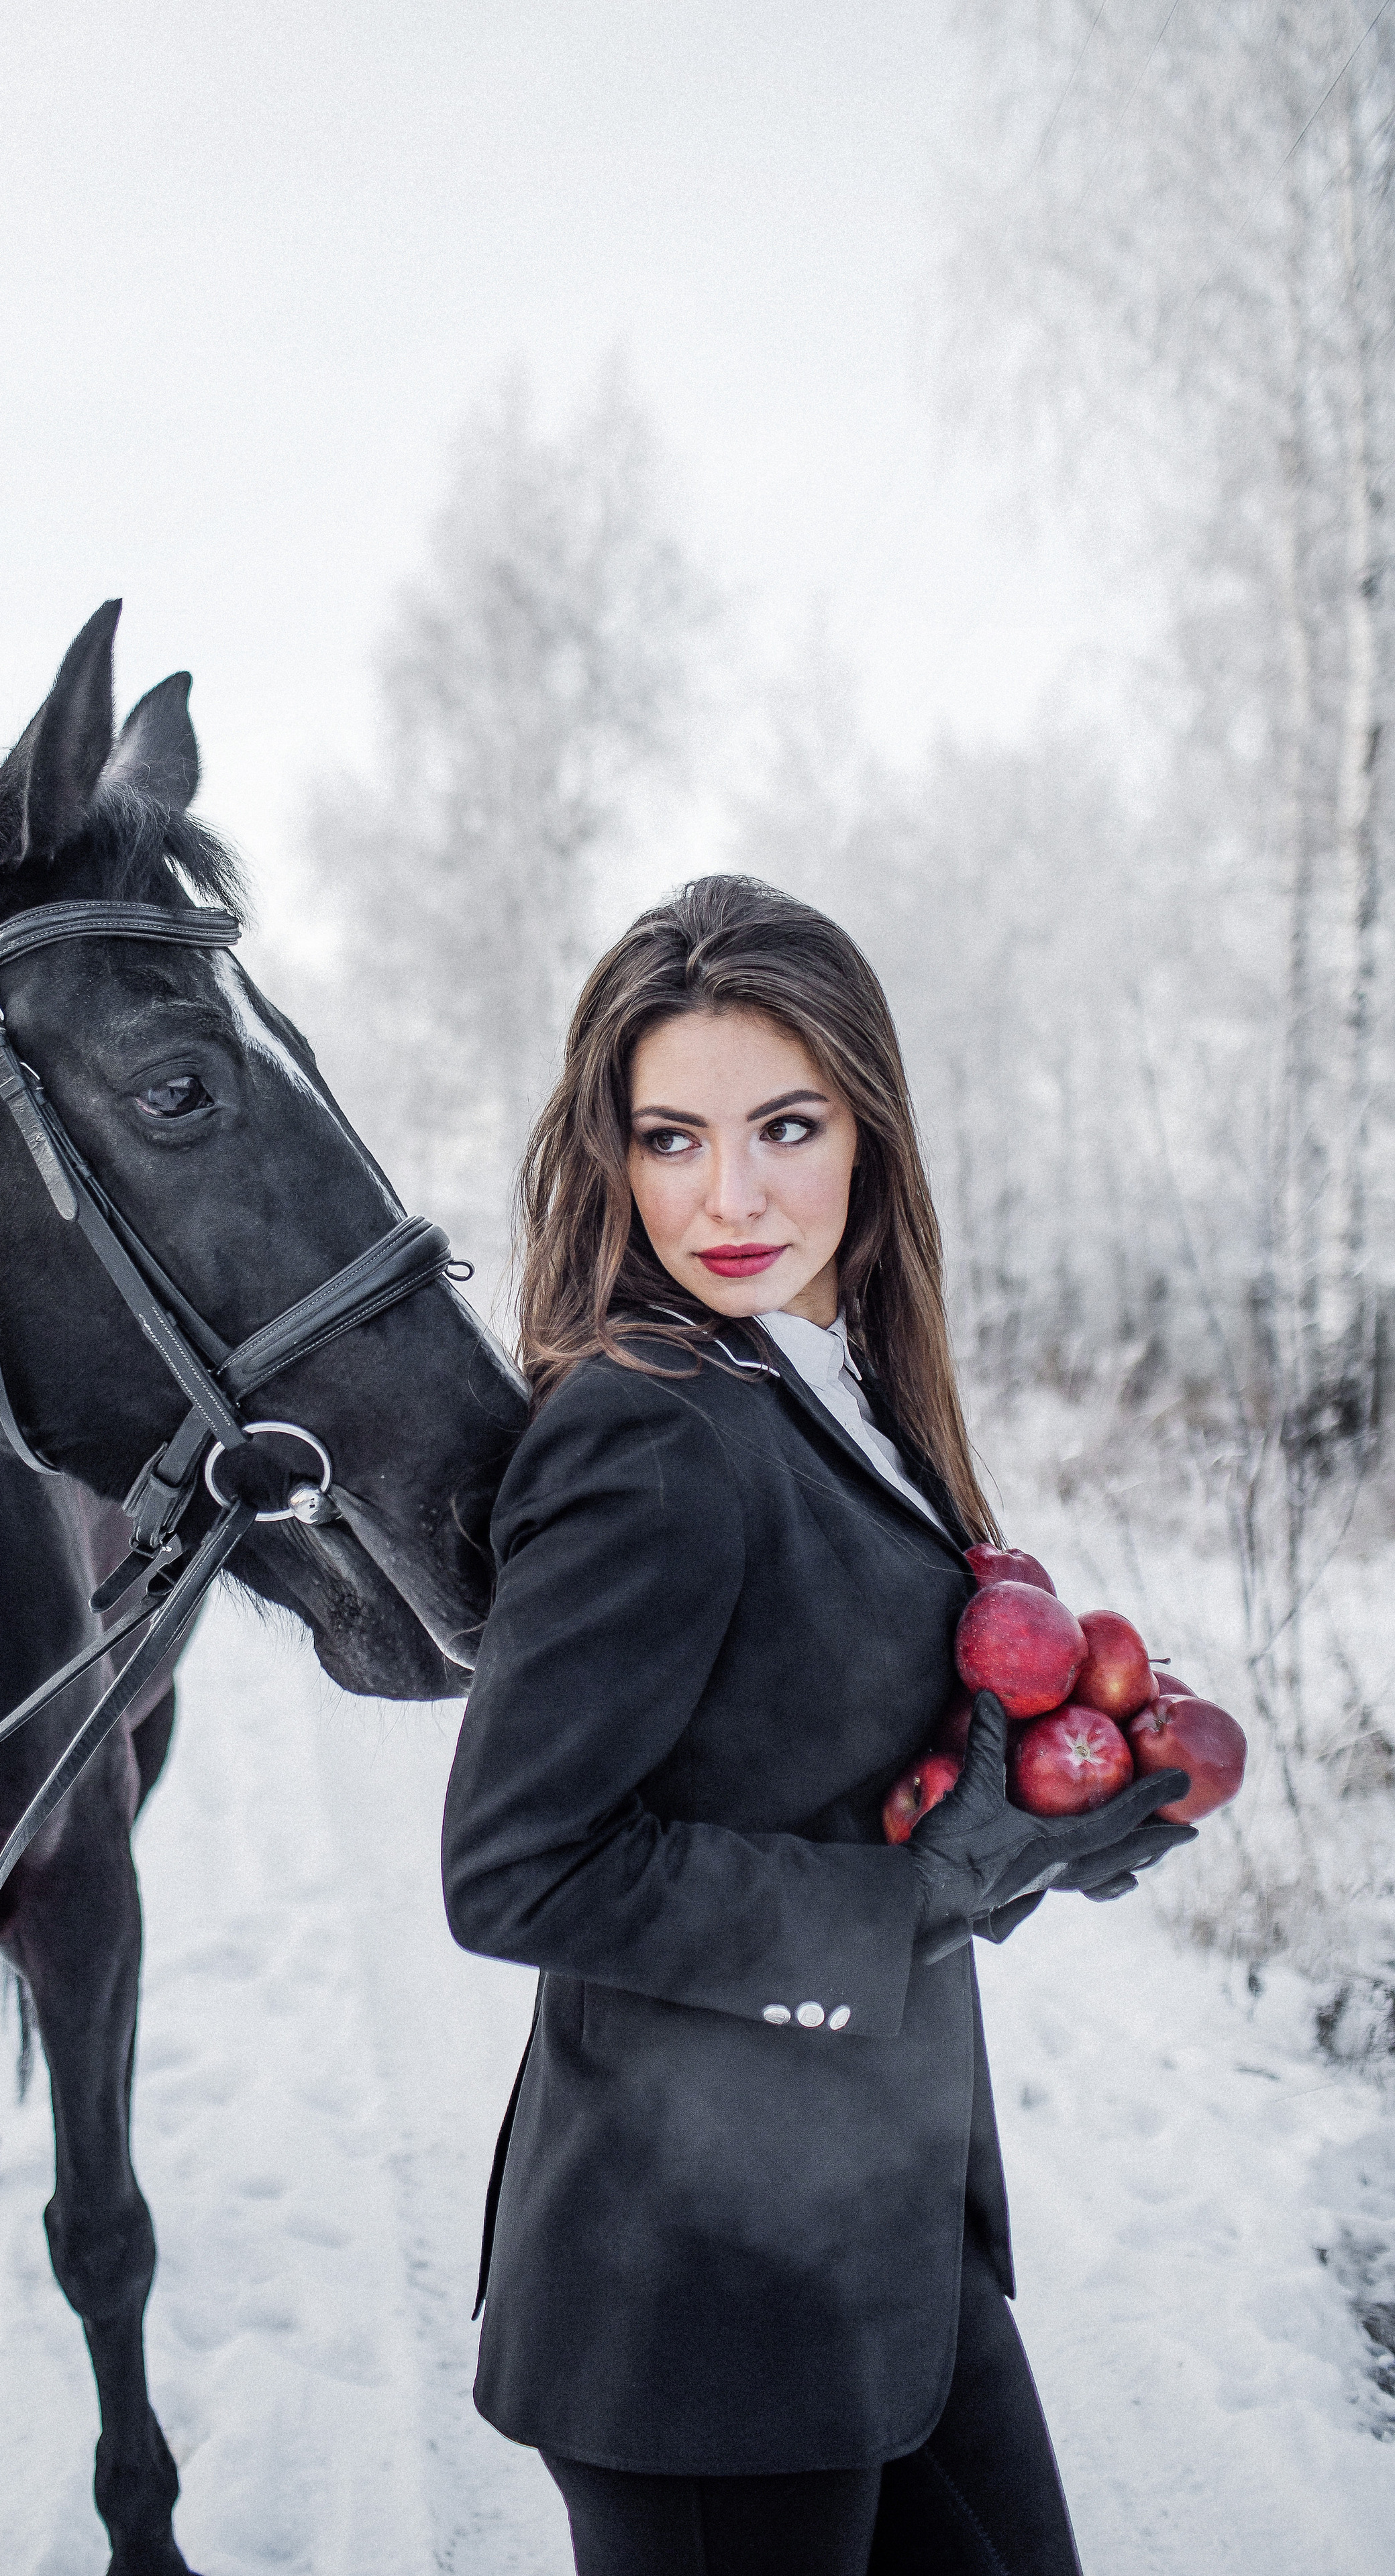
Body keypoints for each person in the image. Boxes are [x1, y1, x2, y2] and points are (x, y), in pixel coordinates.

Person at [441, 877, 1193, 2576]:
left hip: (881, 2230)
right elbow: (516, 1870)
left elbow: (836, 1763)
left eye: (783, 1125)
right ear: (612, 1158)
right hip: (698, 2308)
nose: (728, 1195)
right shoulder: (642, 1428)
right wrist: (915, 1900)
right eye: (670, 1139)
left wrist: (1038, 1829)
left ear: (865, 1128)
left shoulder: (810, 1374)